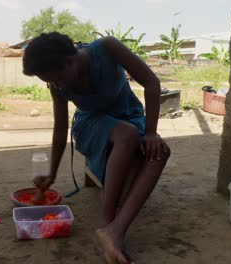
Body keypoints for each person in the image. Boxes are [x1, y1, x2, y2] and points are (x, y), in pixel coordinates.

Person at [23, 32, 171, 264]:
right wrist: (52, 173)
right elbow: (60, 127)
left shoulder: (107, 48)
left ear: (70, 61)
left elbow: (152, 82)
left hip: (129, 115)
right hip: (90, 123)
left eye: (58, 78)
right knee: (127, 134)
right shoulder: (56, 85)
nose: (56, 85)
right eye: (50, 81)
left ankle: (115, 230)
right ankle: (106, 222)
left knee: (160, 151)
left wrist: (151, 132)